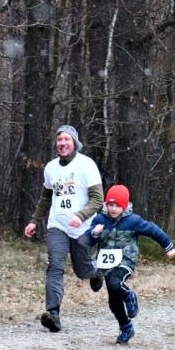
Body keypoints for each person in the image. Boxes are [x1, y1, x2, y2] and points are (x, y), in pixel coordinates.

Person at [24, 125, 105, 332]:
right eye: (59, 140)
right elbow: (46, 197)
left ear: (75, 143)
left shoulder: (86, 165)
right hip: (57, 225)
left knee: (82, 270)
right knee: (55, 266)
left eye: (67, 140)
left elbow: (98, 200)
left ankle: (96, 272)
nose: (62, 144)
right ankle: (53, 313)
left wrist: (81, 216)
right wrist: (34, 220)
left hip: (82, 227)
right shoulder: (51, 168)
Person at [80, 184, 175, 344]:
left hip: (125, 260)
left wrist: (168, 246)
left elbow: (153, 230)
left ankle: (130, 296)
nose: (113, 208)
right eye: (110, 204)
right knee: (112, 299)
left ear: (124, 206)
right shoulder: (99, 219)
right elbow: (85, 240)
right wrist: (94, 232)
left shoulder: (133, 221)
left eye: (117, 205)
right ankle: (126, 327)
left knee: (115, 283)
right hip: (105, 263)